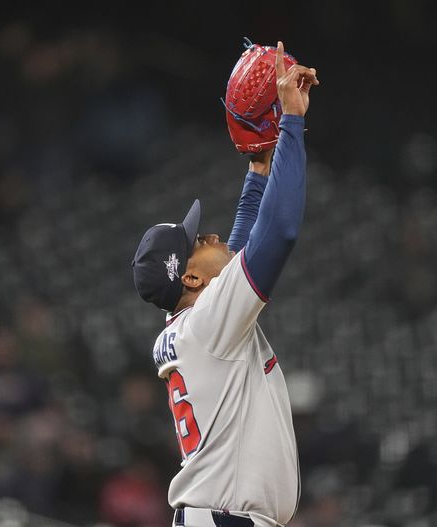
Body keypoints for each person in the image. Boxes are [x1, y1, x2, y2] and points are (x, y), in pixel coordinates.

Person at [131, 42, 319, 527]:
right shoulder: (208, 325)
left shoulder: (196, 325)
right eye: (197, 241)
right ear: (190, 276)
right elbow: (277, 233)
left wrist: (259, 168)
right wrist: (293, 123)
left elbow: (237, 246)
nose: (210, 234)